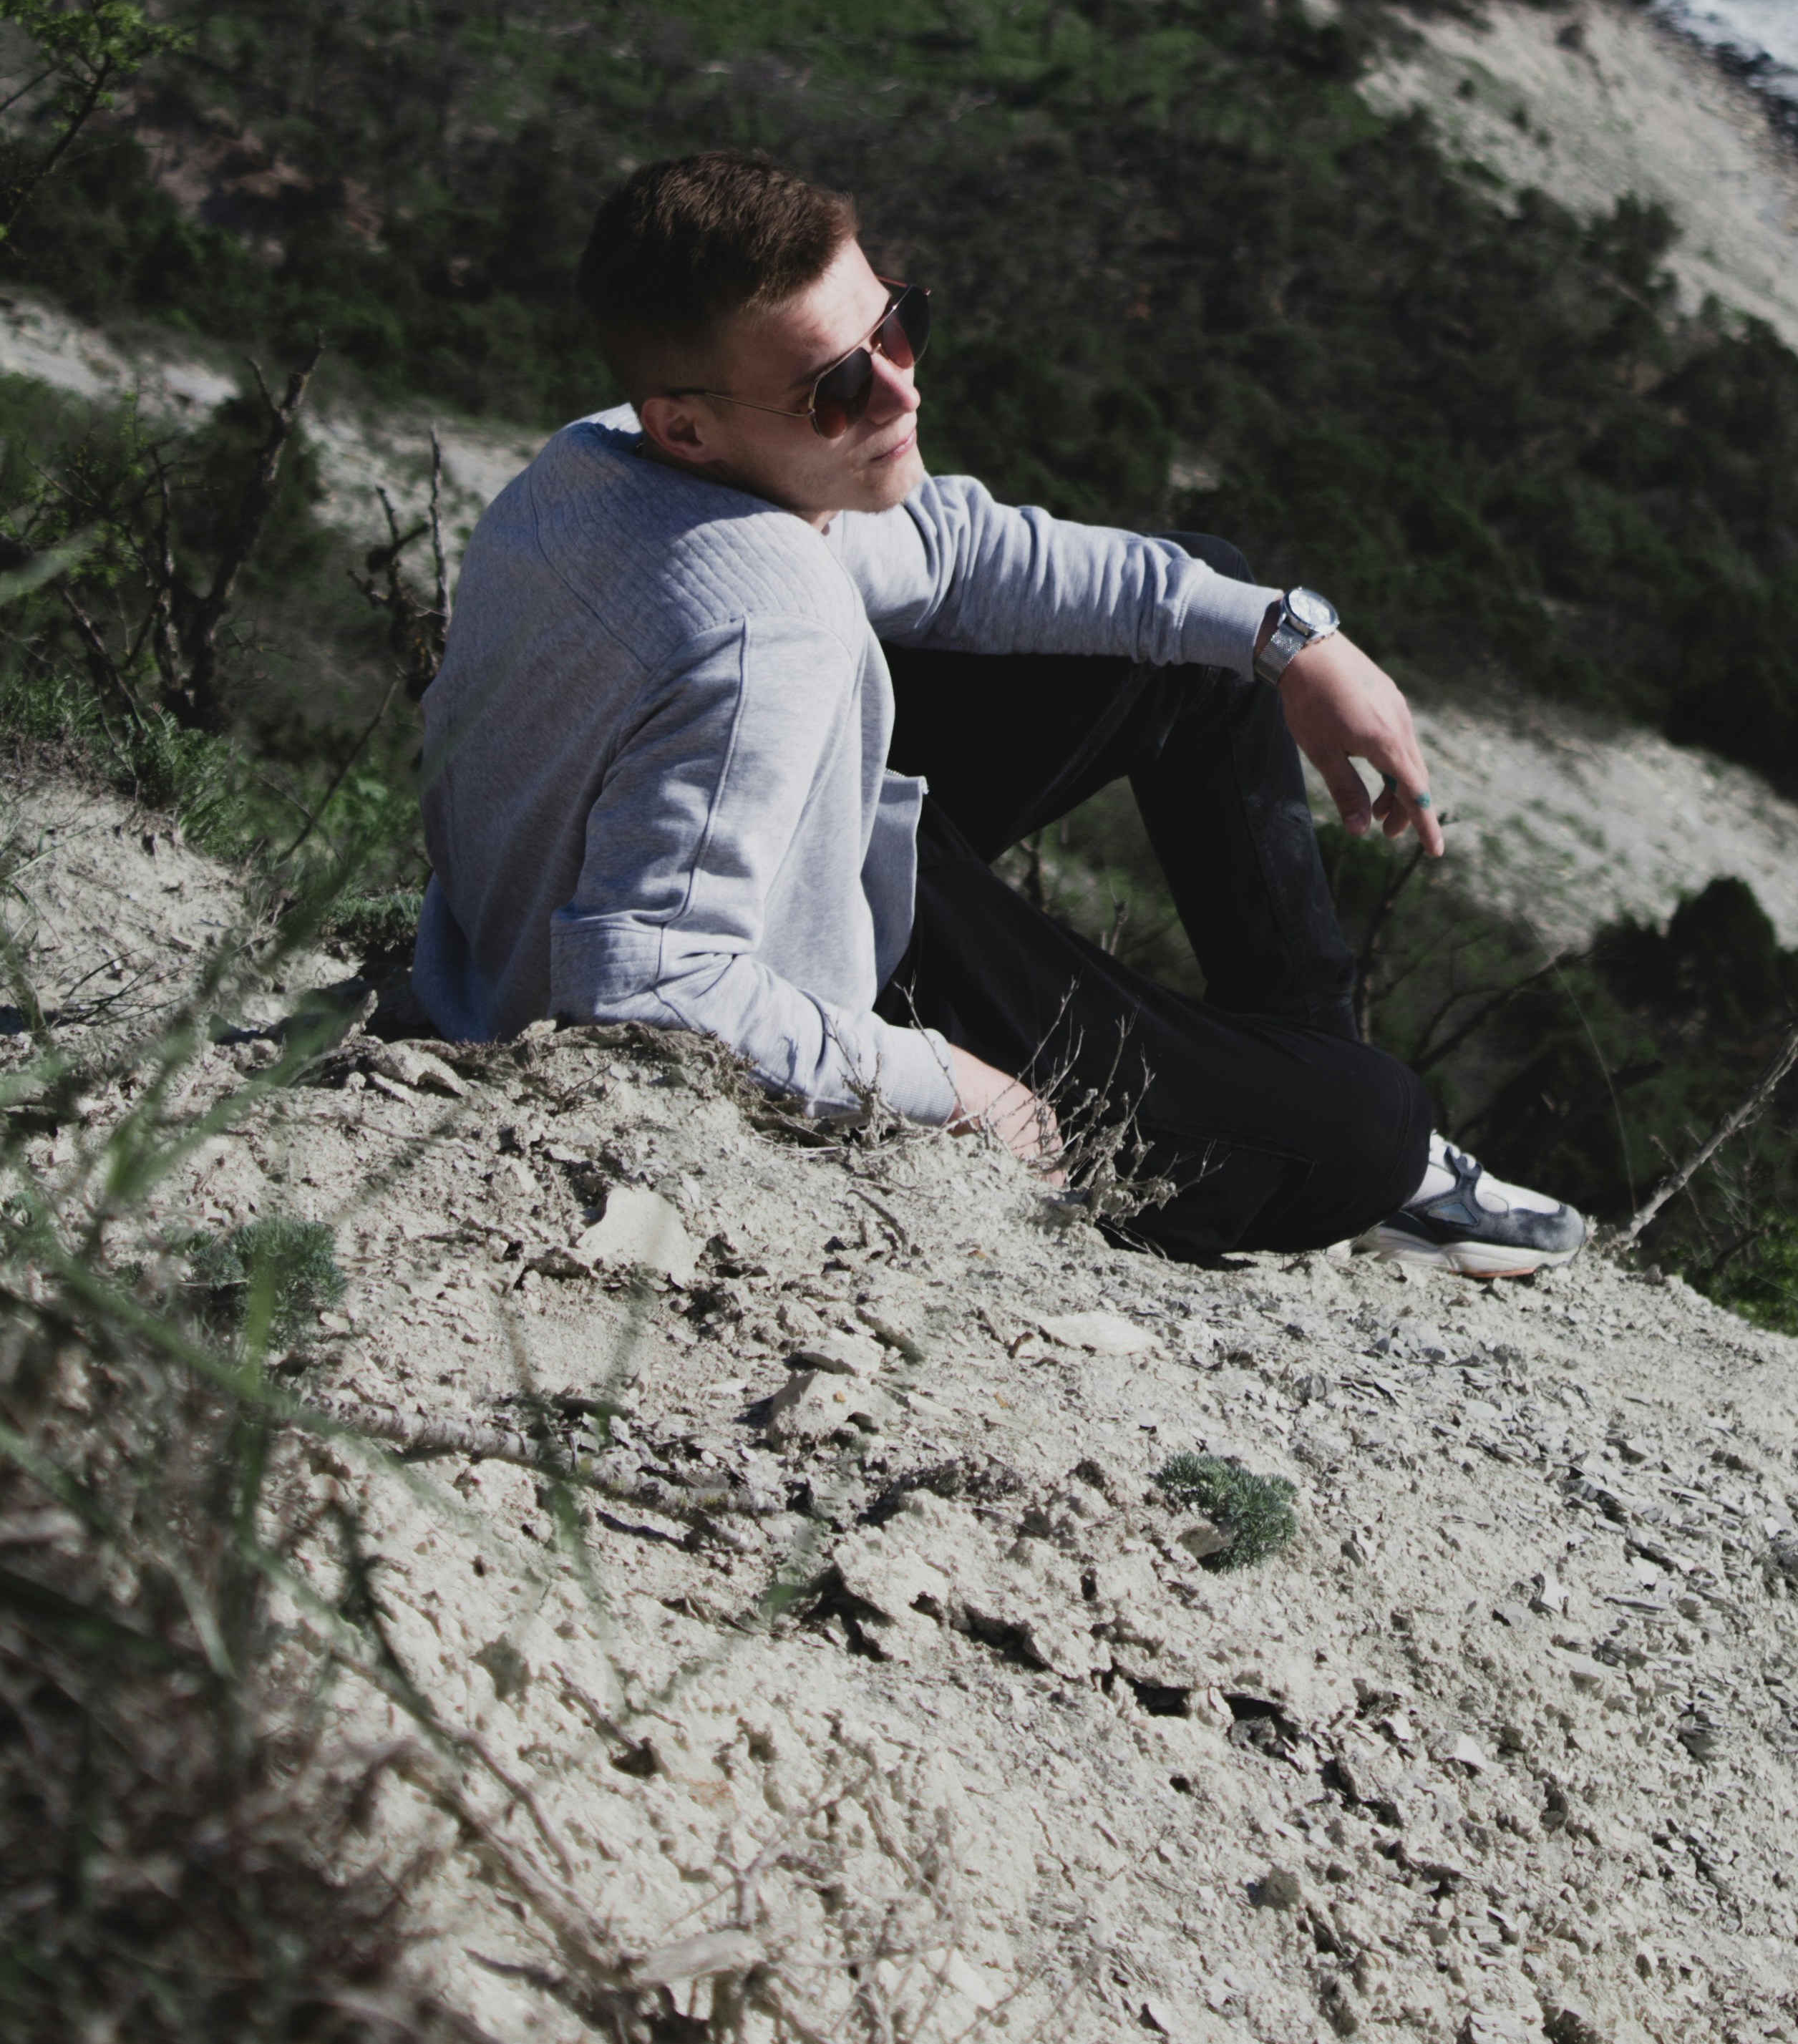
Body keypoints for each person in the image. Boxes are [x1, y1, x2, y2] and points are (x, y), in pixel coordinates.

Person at [413, 150, 1585, 1278]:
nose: (901, 386)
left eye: (897, 325)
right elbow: (639, 985)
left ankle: (1295, 1057)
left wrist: (1288, 637)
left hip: (803, 845)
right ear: (688, 424)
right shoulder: (769, 625)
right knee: (1368, 1130)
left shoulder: (605, 453)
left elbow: (960, 555)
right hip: (827, 982)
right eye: (839, 388)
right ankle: (1345, 1128)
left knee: (1199, 628)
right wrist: (957, 1091)